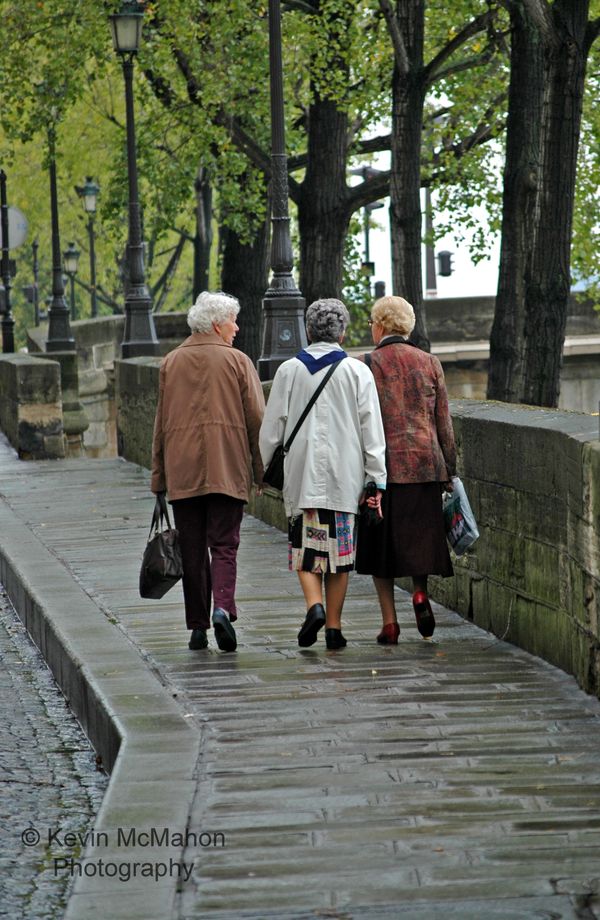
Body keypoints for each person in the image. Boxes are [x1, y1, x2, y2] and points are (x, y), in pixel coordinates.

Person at [259, 298, 387, 650]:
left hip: (301, 475)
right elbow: (371, 430)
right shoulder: (357, 372)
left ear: (309, 331)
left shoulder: (288, 371)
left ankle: (313, 605)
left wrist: (267, 466)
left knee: (305, 548)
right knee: (340, 555)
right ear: (342, 332)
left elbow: (272, 430)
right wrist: (376, 478)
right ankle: (333, 626)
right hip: (345, 476)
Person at [151, 291, 265, 653]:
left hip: (183, 472)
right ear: (217, 325)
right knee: (225, 545)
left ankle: (198, 627)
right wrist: (261, 472)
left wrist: (159, 478)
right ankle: (222, 609)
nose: (237, 327)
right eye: (232, 321)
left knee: (193, 549)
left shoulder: (170, 363)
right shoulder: (237, 361)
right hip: (227, 469)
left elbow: (160, 425)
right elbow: (257, 422)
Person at [356, 295, 456, 643]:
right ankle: (419, 593)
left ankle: (389, 622)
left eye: (372, 322)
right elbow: (443, 421)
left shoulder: (368, 363)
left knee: (379, 546)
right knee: (421, 542)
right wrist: (450, 469)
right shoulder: (429, 362)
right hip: (426, 467)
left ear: (381, 326)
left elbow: (360, 422)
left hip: (383, 470)